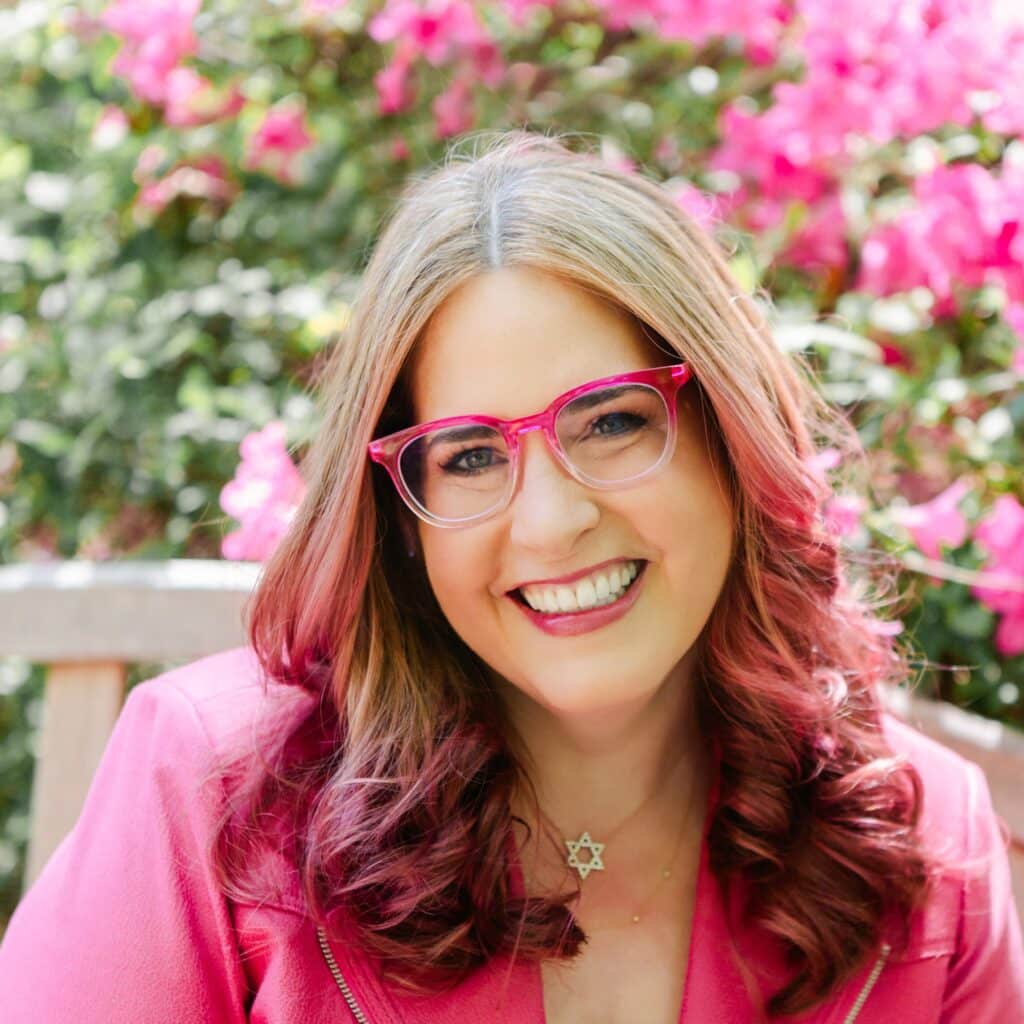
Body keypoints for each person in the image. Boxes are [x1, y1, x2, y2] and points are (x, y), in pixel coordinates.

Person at [1, 130, 1022, 1024]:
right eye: (470, 455)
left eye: (614, 422)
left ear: (731, 434)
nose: (552, 521)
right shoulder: (212, 791)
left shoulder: (922, 841)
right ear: (402, 519)